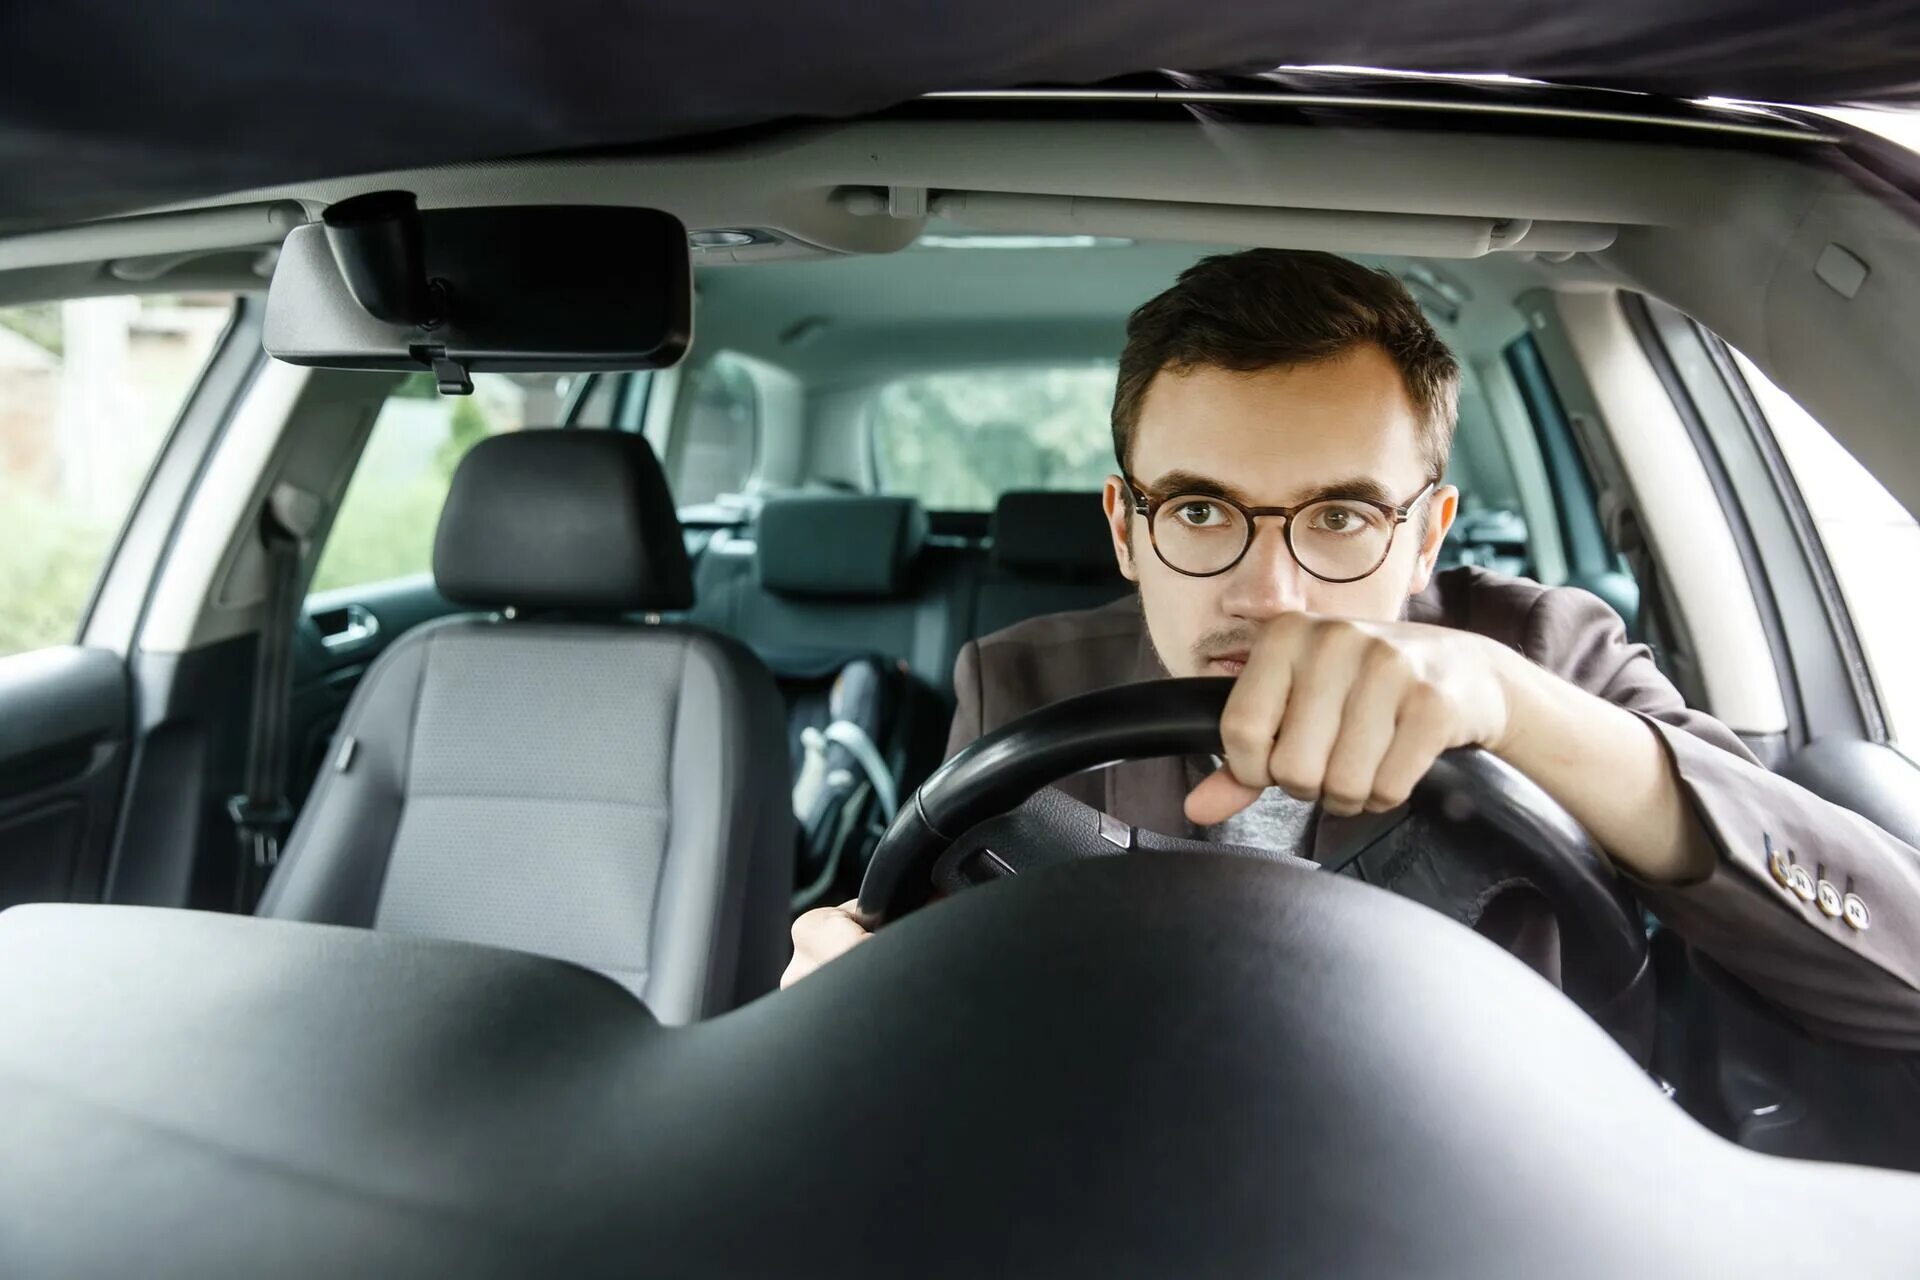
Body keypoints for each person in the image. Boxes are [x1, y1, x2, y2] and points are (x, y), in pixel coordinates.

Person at [784, 248, 1920, 1049]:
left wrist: (1516, 706)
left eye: (1338, 516)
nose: (1270, 591)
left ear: (1427, 530)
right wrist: (856, 993)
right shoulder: (1023, 680)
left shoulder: (1545, 651)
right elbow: (954, 977)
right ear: (1127, 528)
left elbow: (1900, 973)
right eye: (1198, 510)